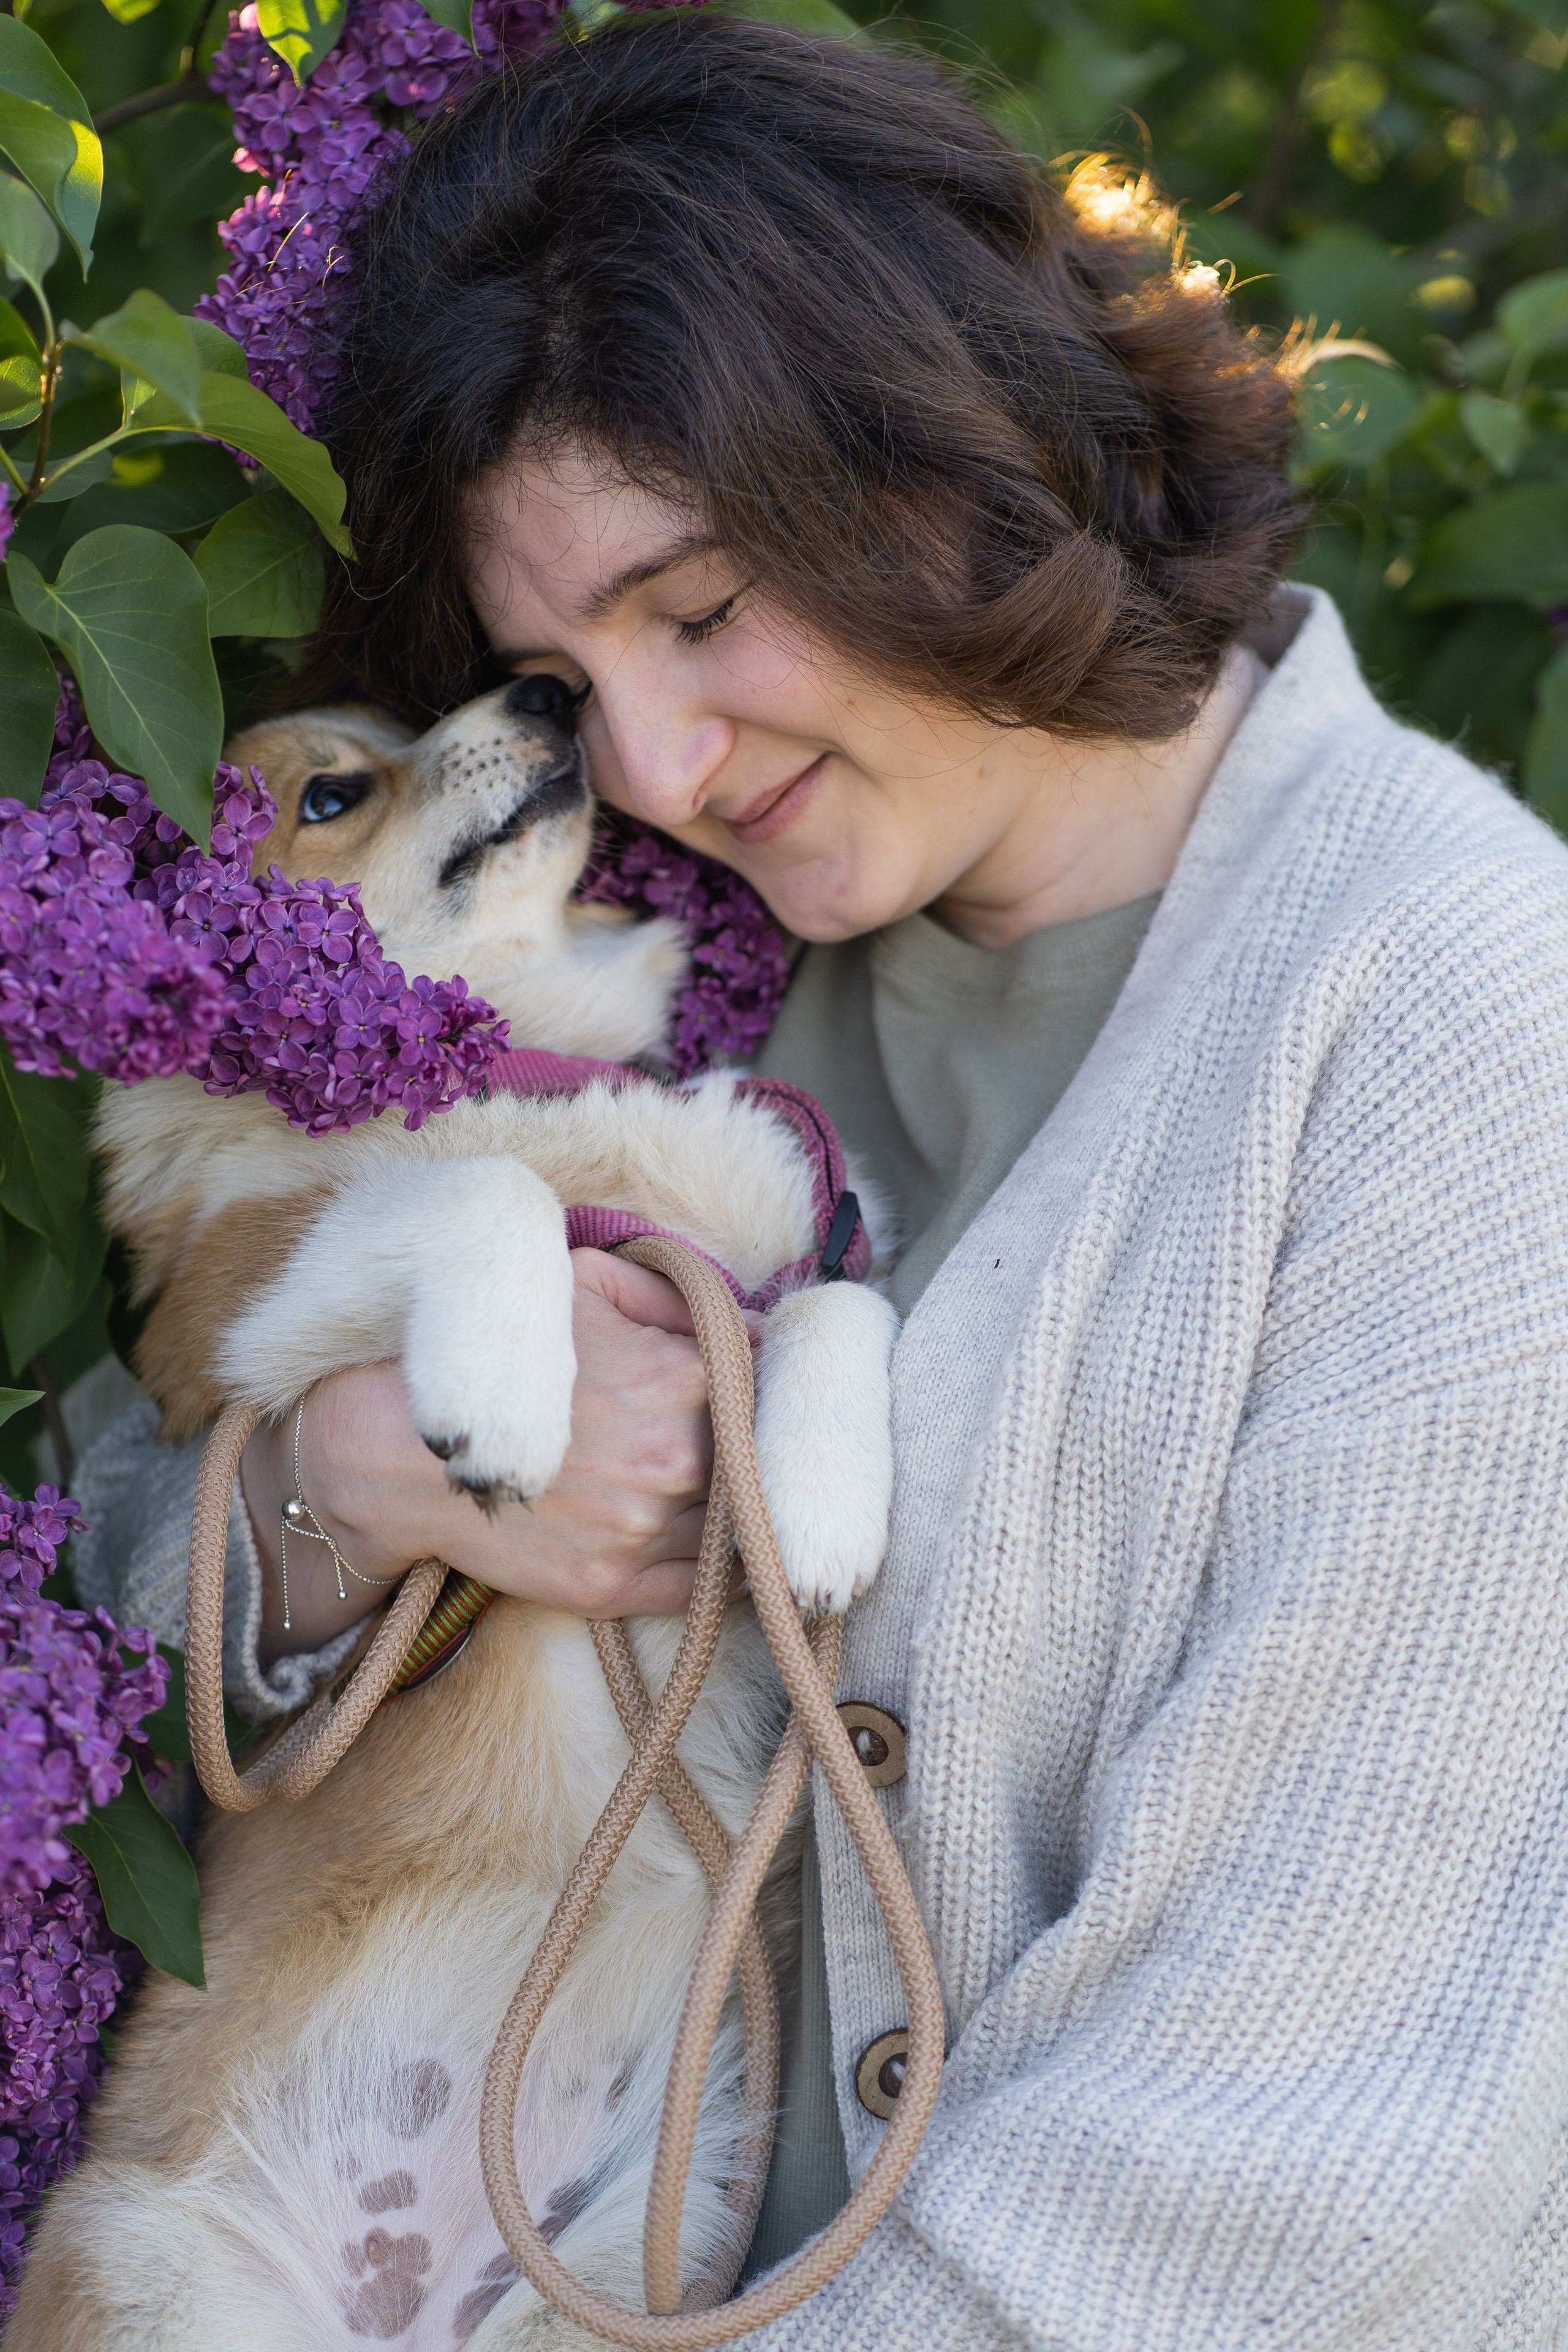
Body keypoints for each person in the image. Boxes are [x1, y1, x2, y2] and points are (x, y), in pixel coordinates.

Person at [72, 13, 1568, 2344]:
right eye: (556, 668)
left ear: (947, 435)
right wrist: (346, 1494)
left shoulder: (1456, 1022)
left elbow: (1317, 2154)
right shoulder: (658, 949)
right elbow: (110, 1511)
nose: (650, 761)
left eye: (694, 610)